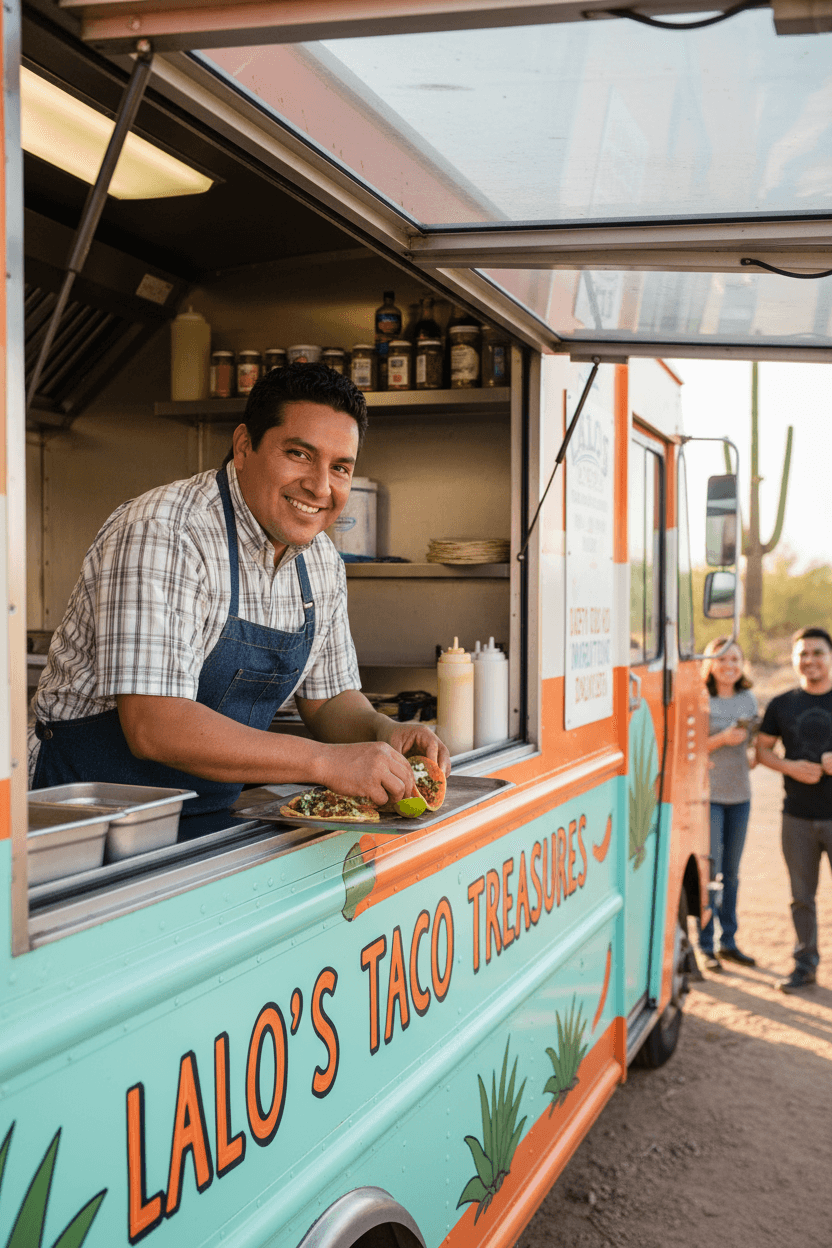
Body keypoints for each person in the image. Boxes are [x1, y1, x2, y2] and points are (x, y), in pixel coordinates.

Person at [29, 363, 449, 817]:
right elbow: (155, 726)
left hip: (211, 812)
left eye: (340, 467)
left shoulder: (321, 559)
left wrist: (382, 730)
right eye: (300, 454)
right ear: (244, 446)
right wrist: (324, 761)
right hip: (88, 814)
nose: (320, 486)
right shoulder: (166, 532)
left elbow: (326, 698)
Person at [757, 626, 832, 993]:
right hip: (797, 817)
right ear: (793, 659)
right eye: (803, 654)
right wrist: (790, 767)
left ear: (829, 657)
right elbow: (763, 751)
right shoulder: (782, 704)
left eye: (817, 653)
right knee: (801, 897)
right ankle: (805, 966)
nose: (810, 660)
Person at [698, 637, 758, 972]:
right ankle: (705, 943)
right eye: (722, 659)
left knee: (732, 874)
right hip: (709, 798)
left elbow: (758, 742)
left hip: (741, 797)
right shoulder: (701, 699)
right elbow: (689, 748)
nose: (729, 665)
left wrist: (753, 752)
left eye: (735, 659)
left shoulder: (748, 699)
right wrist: (722, 739)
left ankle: (729, 941)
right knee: (711, 872)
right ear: (710, 663)